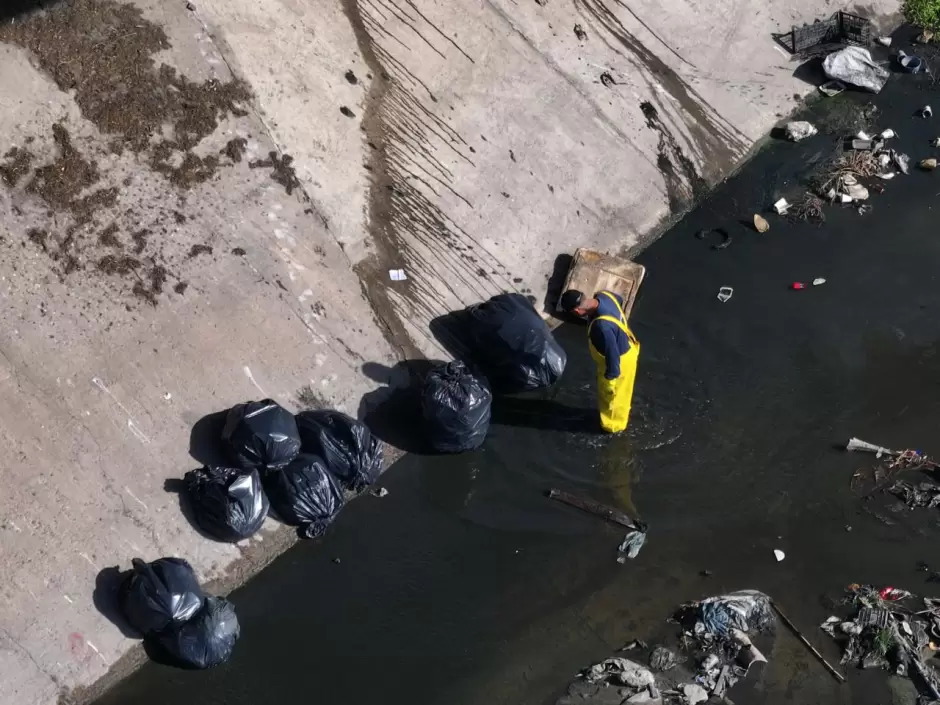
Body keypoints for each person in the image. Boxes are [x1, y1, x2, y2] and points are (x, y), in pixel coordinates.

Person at [559, 288, 639, 433]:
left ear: (577, 312)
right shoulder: (604, 295)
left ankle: (613, 427)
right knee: (623, 392)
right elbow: (619, 300)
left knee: (613, 399)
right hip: (628, 345)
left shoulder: (601, 327)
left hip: (620, 362)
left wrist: (610, 381)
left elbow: (613, 356)